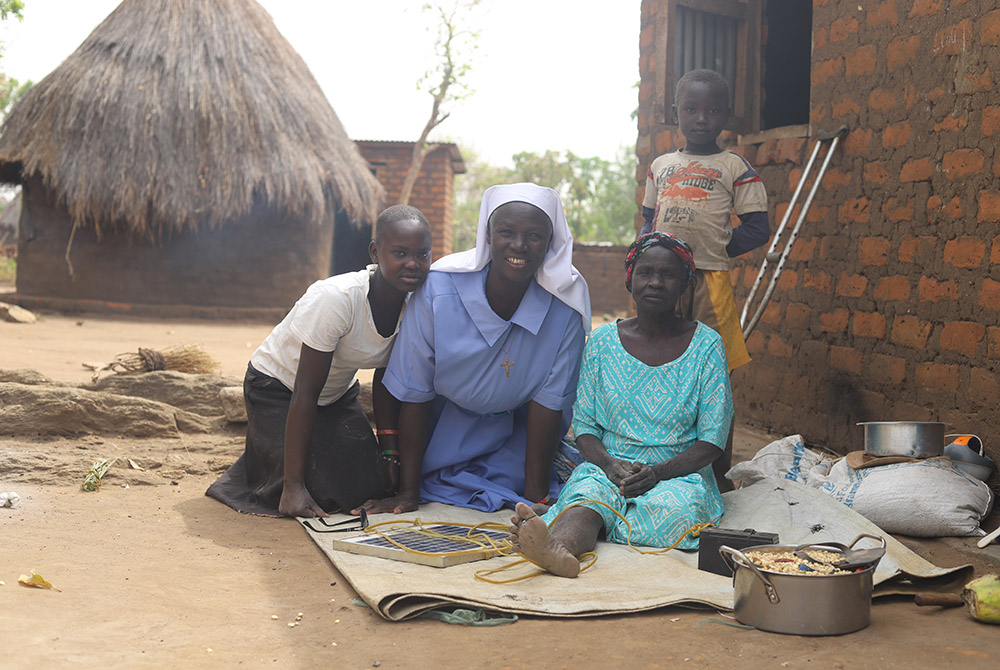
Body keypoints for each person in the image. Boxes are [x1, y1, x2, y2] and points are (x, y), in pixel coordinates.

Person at [507, 232, 734, 578]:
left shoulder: (707, 347)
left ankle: (595, 525)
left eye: (668, 275)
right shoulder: (601, 343)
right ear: (630, 280)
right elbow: (585, 428)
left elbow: (712, 440)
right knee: (588, 499)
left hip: (678, 475)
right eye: (645, 273)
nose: (655, 282)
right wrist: (610, 466)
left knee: (674, 511)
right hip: (609, 466)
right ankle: (559, 549)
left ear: (685, 284)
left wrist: (658, 473)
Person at [357, 183, 590, 515]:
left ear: (550, 242)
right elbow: (416, 391)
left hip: (512, 436)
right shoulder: (439, 288)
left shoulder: (566, 306)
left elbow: (548, 406)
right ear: (488, 235)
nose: (519, 246)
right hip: (440, 428)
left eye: (534, 236)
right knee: (393, 480)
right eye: (506, 232)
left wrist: (536, 499)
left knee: (535, 487)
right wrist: (408, 492)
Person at [206, 205, 433, 518]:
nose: (412, 263)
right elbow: (305, 389)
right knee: (319, 492)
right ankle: (266, 468)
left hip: (336, 397)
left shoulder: (418, 306)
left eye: (422, 254)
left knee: (374, 486)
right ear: (375, 252)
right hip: (277, 389)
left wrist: (390, 452)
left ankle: (276, 454)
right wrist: (293, 487)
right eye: (399, 252)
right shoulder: (337, 298)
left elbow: (387, 381)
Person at [639, 68, 769, 489]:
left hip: (709, 283)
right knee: (652, 359)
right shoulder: (661, 166)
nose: (701, 119)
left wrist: (714, 249)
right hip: (661, 281)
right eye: (691, 109)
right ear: (676, 112)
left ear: (725, 115)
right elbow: (647, 225)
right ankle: (654, 460)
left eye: (712, 111)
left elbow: (757, 227)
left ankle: (716, 472)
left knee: (713, 372)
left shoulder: (734, 166)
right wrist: (649, 262)